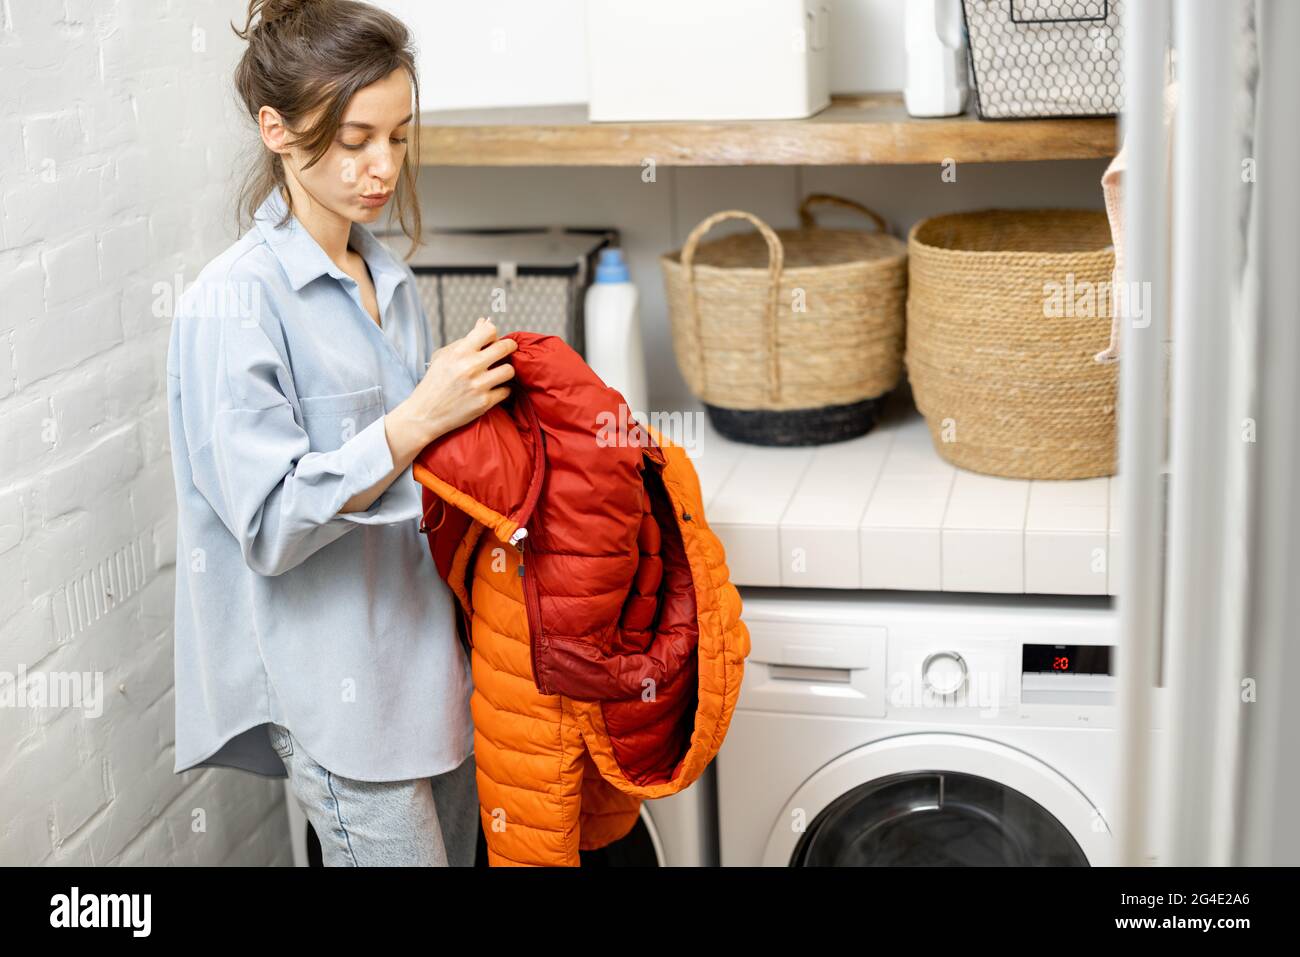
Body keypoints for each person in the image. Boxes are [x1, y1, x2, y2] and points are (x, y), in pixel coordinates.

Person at [164, 0, 517, 866]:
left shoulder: (387, 277)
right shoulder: (233, 302)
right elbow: (273, 526)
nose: (382, 166)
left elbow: (413, 481)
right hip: (339, 701)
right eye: (356, 139)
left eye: (397, 136)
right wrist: (417, 418)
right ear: (276, 130)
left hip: (436, 672)